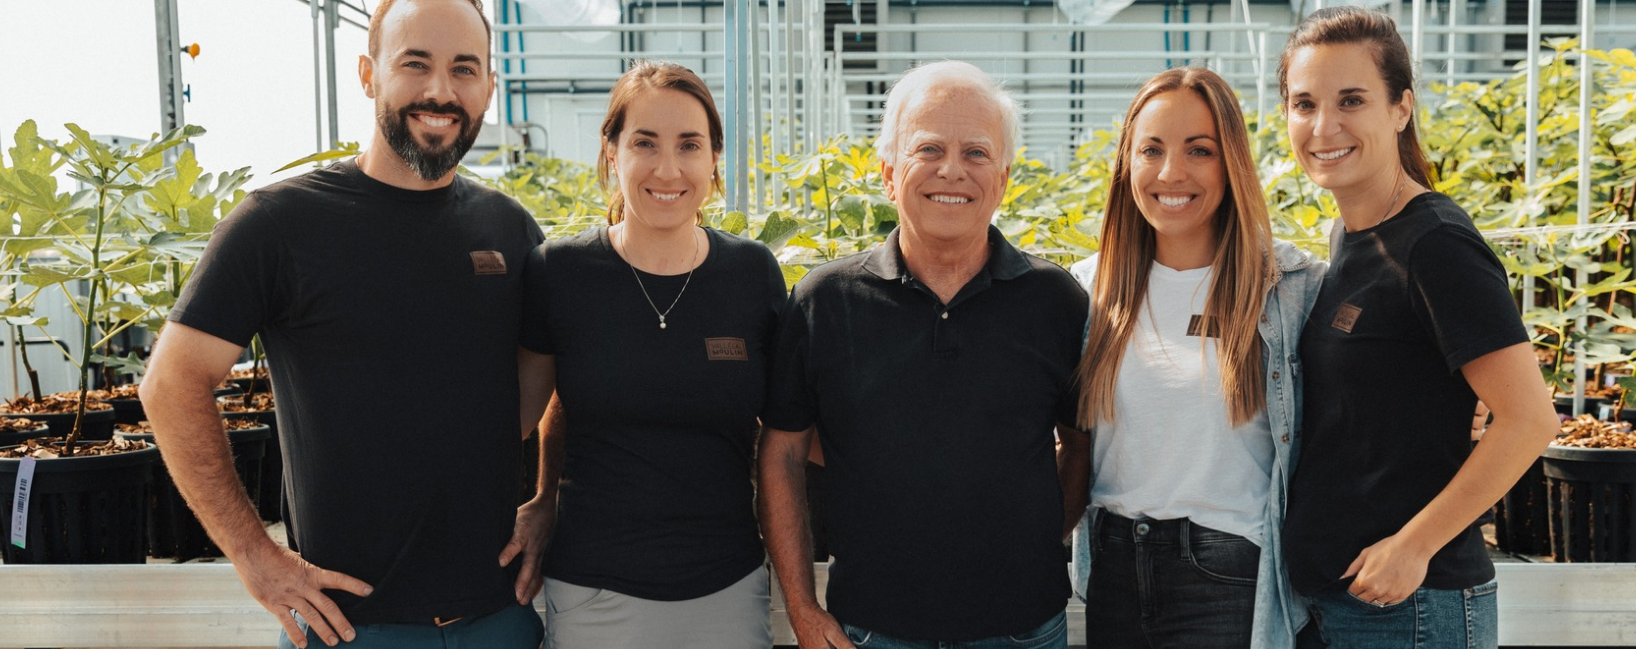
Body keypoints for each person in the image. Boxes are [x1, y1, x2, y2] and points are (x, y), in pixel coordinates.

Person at [141, 0, 546, 649]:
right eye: (414, 64)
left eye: (463, 69)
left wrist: (547, 501)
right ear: (368, 74)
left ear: (488, 90)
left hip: (498, 618)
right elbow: (170, 384)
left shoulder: (509, 230)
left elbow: (556, 374)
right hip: (351, 628)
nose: (440, 91)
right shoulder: (279, 225)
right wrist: (253, 556)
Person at [759, 60, 1090, 649]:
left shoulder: (1054, 301)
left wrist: (1036, 537)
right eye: (928, 148)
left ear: (1005, 178)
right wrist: (803, 610)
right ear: (888, 174)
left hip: (1023, 630)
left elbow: (1082, 443)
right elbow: (782, 453)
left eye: (977, 153)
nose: (952, 170)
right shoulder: (825, 302)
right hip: (869, 630)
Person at [1277, 6, 1559, 649]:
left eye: (1352, 100)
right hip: (1340, 597)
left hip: (1410, 607)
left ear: (1401, 108)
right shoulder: (1352, 235)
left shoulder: (1435, 243)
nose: (1324, 126)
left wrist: (1414, 545)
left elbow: (1529, 418)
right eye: (1304, 104)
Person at [502, 62, 784, 648]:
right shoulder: (561, 272)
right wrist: (542, 496)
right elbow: (538, 406)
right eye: (644, 144)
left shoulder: (751, 275)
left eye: (689, 145)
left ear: (714, 159)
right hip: (593, 592)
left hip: (726, 586)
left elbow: (787, 432)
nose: (668, 169)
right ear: (611, 152)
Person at [1068, 66, 1325, 649]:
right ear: (1126, 164)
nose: (1171, 173)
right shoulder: (1086, 292)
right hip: (1112, 569)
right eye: (1150, 150)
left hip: (1229, 573)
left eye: (1199, 150)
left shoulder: (1288, 288)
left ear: (1231, 161)